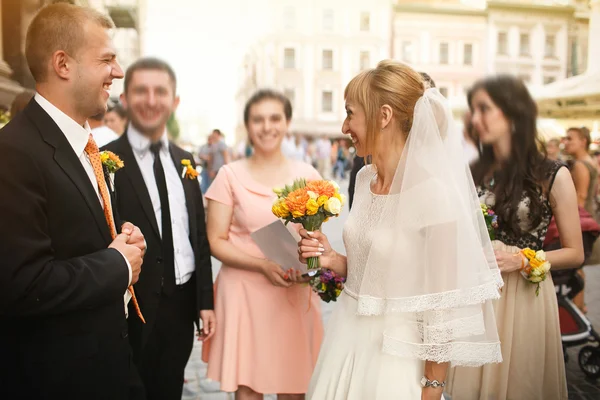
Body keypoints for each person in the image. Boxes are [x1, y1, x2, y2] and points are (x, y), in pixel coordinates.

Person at [295, 60, 503, 399]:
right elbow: (379, 273)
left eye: (350, 113)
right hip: (346, 337)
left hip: (395, 355)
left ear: (384, 116)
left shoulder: (434, 194)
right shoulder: (364, 179)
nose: (344, 125)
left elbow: (442, 306)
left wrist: (432, 389)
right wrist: (332, 258)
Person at [0, 4, 146, 399]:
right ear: (63, 64)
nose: (118, 72)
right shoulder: (13, 151)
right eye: (106, 59)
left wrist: (121, 244)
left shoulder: (84, 145)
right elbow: (22, 283)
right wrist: (117, 264)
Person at [447, 76, 583, 400]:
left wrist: (520, 259)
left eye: (484, 109)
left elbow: (575, 253)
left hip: (523, 295)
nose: (475, 119)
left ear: (512, 113)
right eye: (473, 110)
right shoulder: (475, 170)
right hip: (476, 293)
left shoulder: (552, 174)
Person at [103, 57, 216, 400]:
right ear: (124, 99)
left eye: (160, 92)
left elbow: (198, 235)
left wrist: (204, 302)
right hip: (131, 308)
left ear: (174, 101)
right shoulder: (105, 160)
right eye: (140, 91)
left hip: (180, 309)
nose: (151, 100)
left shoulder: (186, 160)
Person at [202, 89, 323, 399]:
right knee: (248, 391)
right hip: (244, 291)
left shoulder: (308, 175)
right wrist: (261, 265)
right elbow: (215, 240)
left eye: (274, 118)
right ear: (247, 125)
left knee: (294, 388)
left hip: (292, 292)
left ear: (287, 123)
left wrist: (310, 265)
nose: (267, 126)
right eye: (258, 119)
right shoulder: (229, 175)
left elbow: (314, 240)